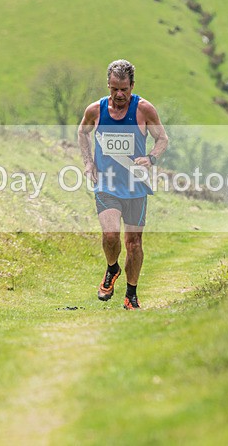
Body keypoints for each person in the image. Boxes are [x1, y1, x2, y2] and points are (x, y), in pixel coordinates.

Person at [77, 59, 168, 310]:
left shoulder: (144, 110)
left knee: (134, 243)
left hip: (135, 186)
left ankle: (131, 294)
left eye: (124, 89)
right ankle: (112, 268)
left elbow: (162, 138)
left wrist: (151, 158)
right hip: (106, 184)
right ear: (108, 84)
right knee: (109, 235)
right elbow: (82, 132)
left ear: (132, 86)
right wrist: (88, 163)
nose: (119, 95)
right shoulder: (95, 110)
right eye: (114, 88)